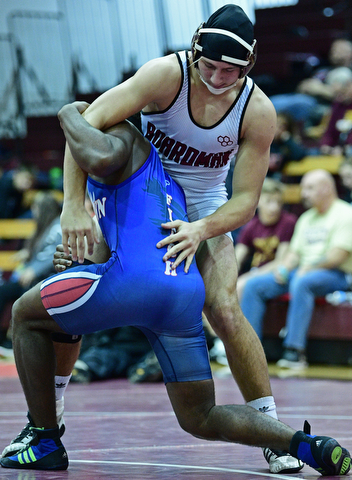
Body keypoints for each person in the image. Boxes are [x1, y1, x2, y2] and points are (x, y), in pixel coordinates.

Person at [0, 101, 352, 476]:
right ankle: (303, 444)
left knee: (25, 315)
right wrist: (76, 257)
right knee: (200, 416)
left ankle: (44, 438)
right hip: (182, 293)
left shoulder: (122, 138)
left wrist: (69, 113)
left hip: (137, 282)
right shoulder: (149, 178)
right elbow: (103, 250)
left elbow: (96, 153)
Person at [54, 5, 303, 473]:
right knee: (76, 286)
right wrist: (73, 204)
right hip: (140, 197)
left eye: (231, 71)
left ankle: (273, 432)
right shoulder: (164, 75)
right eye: (209, 66)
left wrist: (201, 229)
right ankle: (49, 422)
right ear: (195, 50)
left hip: (203, 209)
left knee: (226, 309)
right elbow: (84, 125)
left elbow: (246, 199)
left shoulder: (258, 110)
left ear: (248, 67)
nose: (217, 77)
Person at [240, 169, 352, 369]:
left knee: (302, 282)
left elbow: (338, 255)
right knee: (254, 285)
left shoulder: (346, 213)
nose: (304, 193)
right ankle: (250, 352)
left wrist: (309, 267)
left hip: (338, 274)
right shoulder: (306, 218)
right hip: (302, 271)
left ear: (327, 188)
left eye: (309, 188)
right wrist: (284, 269)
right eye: (303, 188)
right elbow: (294, 253)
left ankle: (295, 350)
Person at [0, 192, 62, 351]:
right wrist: (27, 254)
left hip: (44, 279)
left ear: (44, 208)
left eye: (35, 207)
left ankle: (24, 341)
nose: (33, 211)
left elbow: (54, 252)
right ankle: (0, 339)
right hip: (32, 277)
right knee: (1, 291)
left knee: (24, 294)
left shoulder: (57, 226)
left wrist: (33, 269)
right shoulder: (45, 226)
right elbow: (42, 250)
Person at [234, 178, 297, 301]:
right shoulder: (251, 226)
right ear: (258, 202)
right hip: (255, 272)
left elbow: (280, 261)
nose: (274, 208)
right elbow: (237, 258)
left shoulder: (288, 222)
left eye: (278, 202)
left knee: (243, 285)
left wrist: (249, 277)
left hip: (275, 275)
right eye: (269, 201)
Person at [270, 38, 352, 124]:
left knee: (274, 105)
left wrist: (317, 89)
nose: (334, 51)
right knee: (274, 100)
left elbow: (339, 97)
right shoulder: (323, 70)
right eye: (333, 49)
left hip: (317, 105)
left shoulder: (345, 73)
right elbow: (303, 85)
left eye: (339, 49)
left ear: (350, 54)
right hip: (301, 97)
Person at [319, 67, 352, 156]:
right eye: (336, 94)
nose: (339, 98)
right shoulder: (338, 105)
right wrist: (325, 145)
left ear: (350, 84)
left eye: (342, 93)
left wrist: (344, 150)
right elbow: (330, 131)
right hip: (339, 150)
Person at [268, 112, 307, 178]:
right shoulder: (265, 142)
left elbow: (299, 155)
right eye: (276, 124)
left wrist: (287, 139)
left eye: (281, 126)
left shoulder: (286, 145)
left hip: (278, 177)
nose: (277, 129)